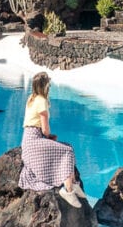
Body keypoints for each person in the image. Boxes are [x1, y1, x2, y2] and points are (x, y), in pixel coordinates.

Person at [19, 72, 86, 209]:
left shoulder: (31, 98)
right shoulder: (42, 101)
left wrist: (47, 137)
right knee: (67, 150)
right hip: (35, 139)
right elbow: (45, 129)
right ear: (45, 85)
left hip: (27, 139)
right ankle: (67, 190)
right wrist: (49, 137)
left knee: (67, 147)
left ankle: (73, 183)